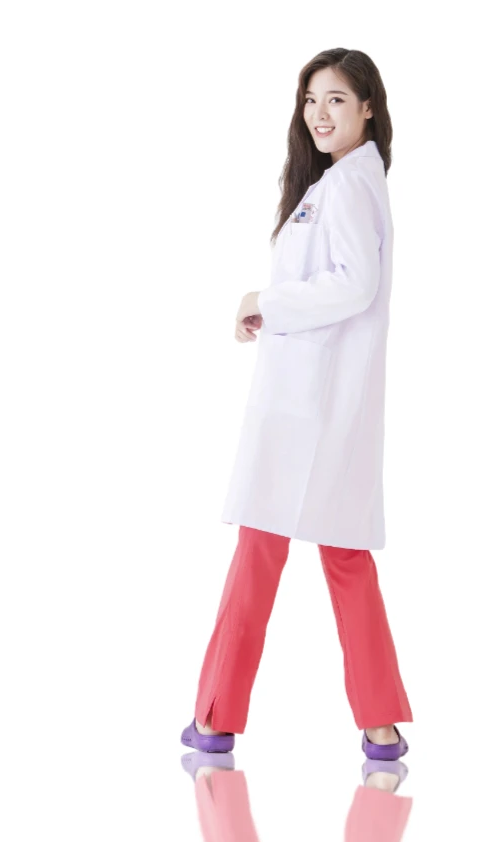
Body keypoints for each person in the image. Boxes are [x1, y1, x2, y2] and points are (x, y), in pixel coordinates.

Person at [181, 49, 412, 760]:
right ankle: (380, 726)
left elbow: (354, 284)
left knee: (261, 553)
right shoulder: (346, 181)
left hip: (307, 410)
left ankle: (215, 719)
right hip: (323, 406)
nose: (319, 112)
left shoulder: (348, 186)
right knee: (343, 558)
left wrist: (266, 300)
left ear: (368, 107)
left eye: (337, 99)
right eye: (311, 99)